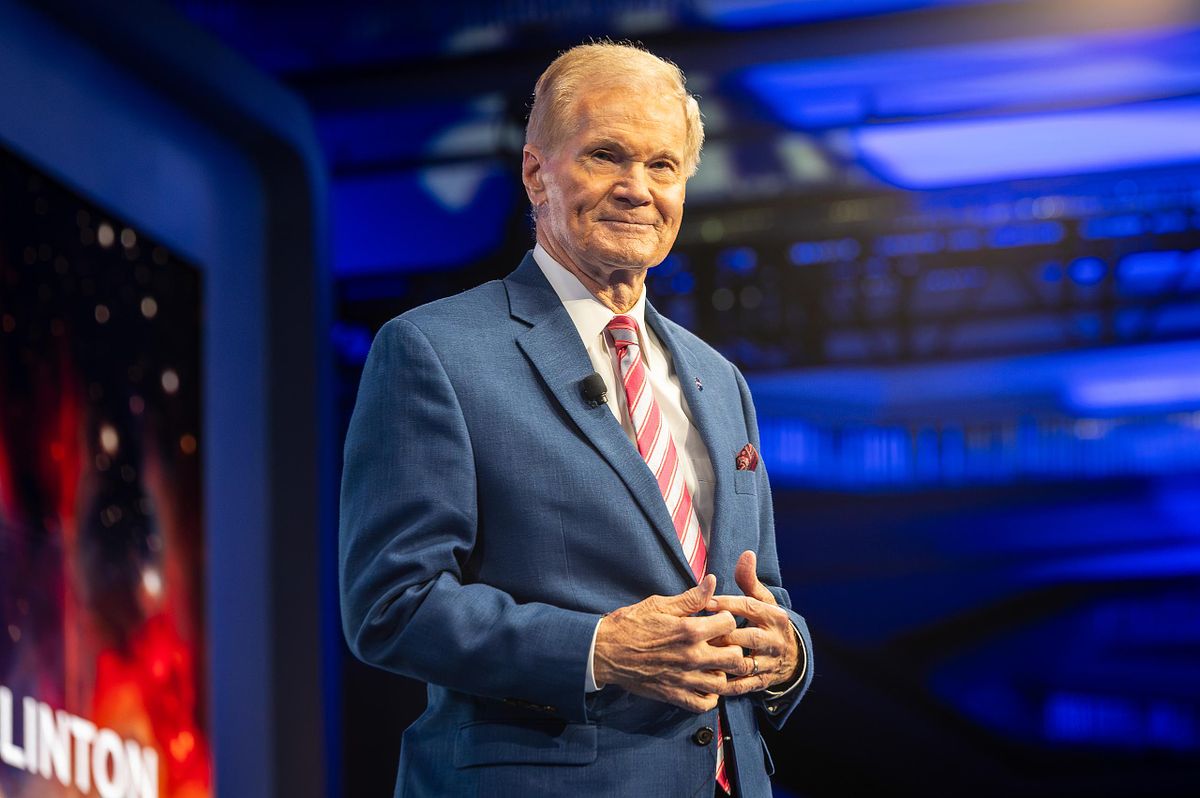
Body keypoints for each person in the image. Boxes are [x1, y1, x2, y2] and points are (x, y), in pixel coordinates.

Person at [339, 41, 813, 797]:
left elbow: (768, 595)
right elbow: (391, 605)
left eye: (662, 166)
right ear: (536, 173)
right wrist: (599, 648)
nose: (637, 189)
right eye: (605, 156)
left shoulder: (720, 381)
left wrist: (787, 653)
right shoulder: (433, 351)